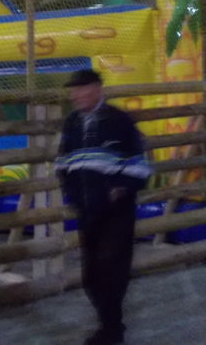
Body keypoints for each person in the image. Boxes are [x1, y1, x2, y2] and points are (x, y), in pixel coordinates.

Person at [55, 69, 151, 345]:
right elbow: (62, 162)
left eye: (81, 89)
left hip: (116, 212)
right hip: (87, 211)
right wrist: (72, 194)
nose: (75, 95)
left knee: (112, 269)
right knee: (91, 275)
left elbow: (140, 165)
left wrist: (120, 189)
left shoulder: (120, 121)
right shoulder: (72, 123)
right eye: (73, 90)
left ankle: (111, 329)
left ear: (97, 89)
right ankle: (109, 324)